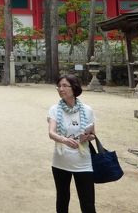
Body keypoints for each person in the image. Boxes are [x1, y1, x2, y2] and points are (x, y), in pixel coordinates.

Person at [47, 74, 97, 213]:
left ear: (74, 88)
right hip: (61, 162)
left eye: (64, 86)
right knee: (62, 199)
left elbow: (93, 134)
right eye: (59, 86)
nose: (60, 89)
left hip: (83, 162)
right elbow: (51, 133)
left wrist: (87, 137)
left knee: (88, 203)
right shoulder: (54, 110)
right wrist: (64, 140)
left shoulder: (87, 110)